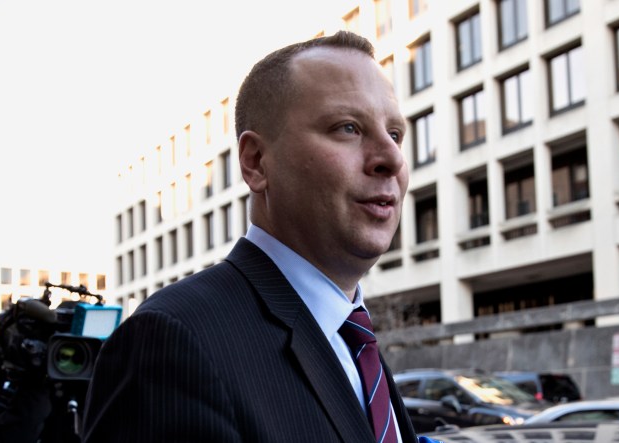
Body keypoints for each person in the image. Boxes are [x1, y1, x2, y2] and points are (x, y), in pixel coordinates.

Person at [83, 30, 418, 442]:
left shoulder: (354, 341)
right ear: (256, 162)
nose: (392, 159)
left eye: (396, 134)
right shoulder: (174, 340)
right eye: (348, 128)